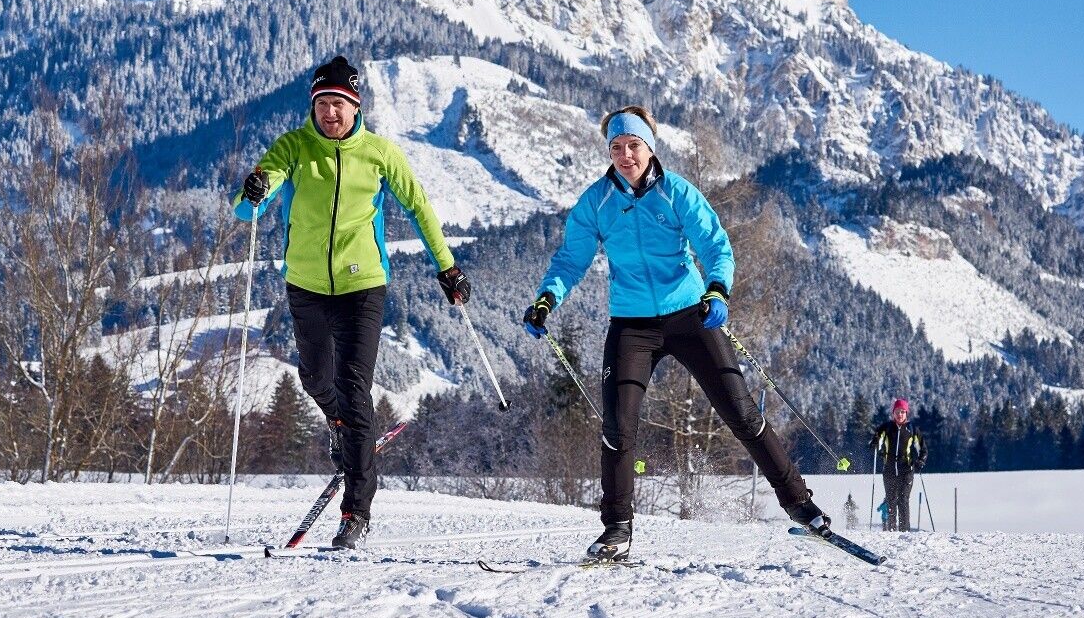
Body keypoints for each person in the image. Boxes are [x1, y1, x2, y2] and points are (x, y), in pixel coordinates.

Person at [521, 106, 829, 561]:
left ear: (650, 148)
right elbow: (571, 259)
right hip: (631, 325)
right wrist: (547, 298)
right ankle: (617, 530)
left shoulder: (677, 192)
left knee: (742, 414)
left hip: (689, 316)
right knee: (618, 427)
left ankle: (801, 505)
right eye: (616, 147)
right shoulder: (597, 202)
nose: (625, 155)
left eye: (634, 145)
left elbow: (715, 246)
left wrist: (717, 290)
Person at [234, 56, 468, 549]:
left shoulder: (380, 153)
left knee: (354, 389)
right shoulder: (293, 147)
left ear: (356, 106)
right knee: (315, 378)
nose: (330, 113)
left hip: (363, 287)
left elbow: (419, 206)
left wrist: (446, 267)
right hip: (306, 285)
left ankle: (355, 513)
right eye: (322, 103)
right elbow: (247, 206)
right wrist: (253, 190)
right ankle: (340, 425)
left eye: (339, 103)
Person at [873, 399, 926, 532]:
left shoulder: (912, 429)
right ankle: (891, 530)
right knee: (891, 500)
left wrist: (920, 460)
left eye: (902, 412)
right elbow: (877, 441)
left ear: (906, 413)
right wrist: (875, 444)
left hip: (906, 470)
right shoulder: (886, 427)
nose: (900, 414)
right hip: (889, 470)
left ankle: (904, 531)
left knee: (903, 500)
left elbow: (923, 449)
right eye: (897, 412)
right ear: (893, 413)